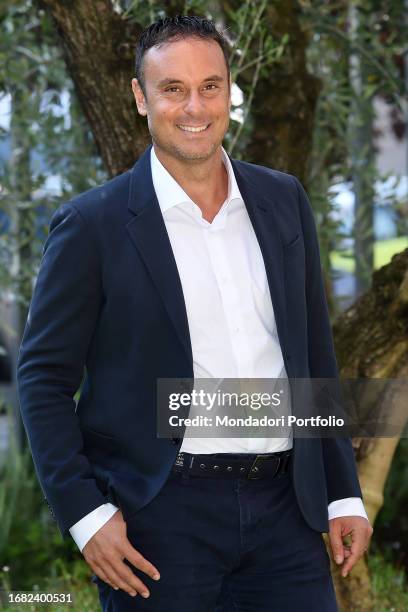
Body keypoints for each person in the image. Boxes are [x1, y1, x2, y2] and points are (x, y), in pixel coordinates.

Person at [16, 15, 373, 612]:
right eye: (172, 88)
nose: (194, 107)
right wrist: (84, 513)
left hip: (287, 511)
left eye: (210, 86)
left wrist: (342, 494)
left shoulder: (283, 200)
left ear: (230, 92)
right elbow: (43, 379)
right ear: (140, 97)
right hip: (159, 517)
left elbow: (313, 355)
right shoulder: (91, 226)